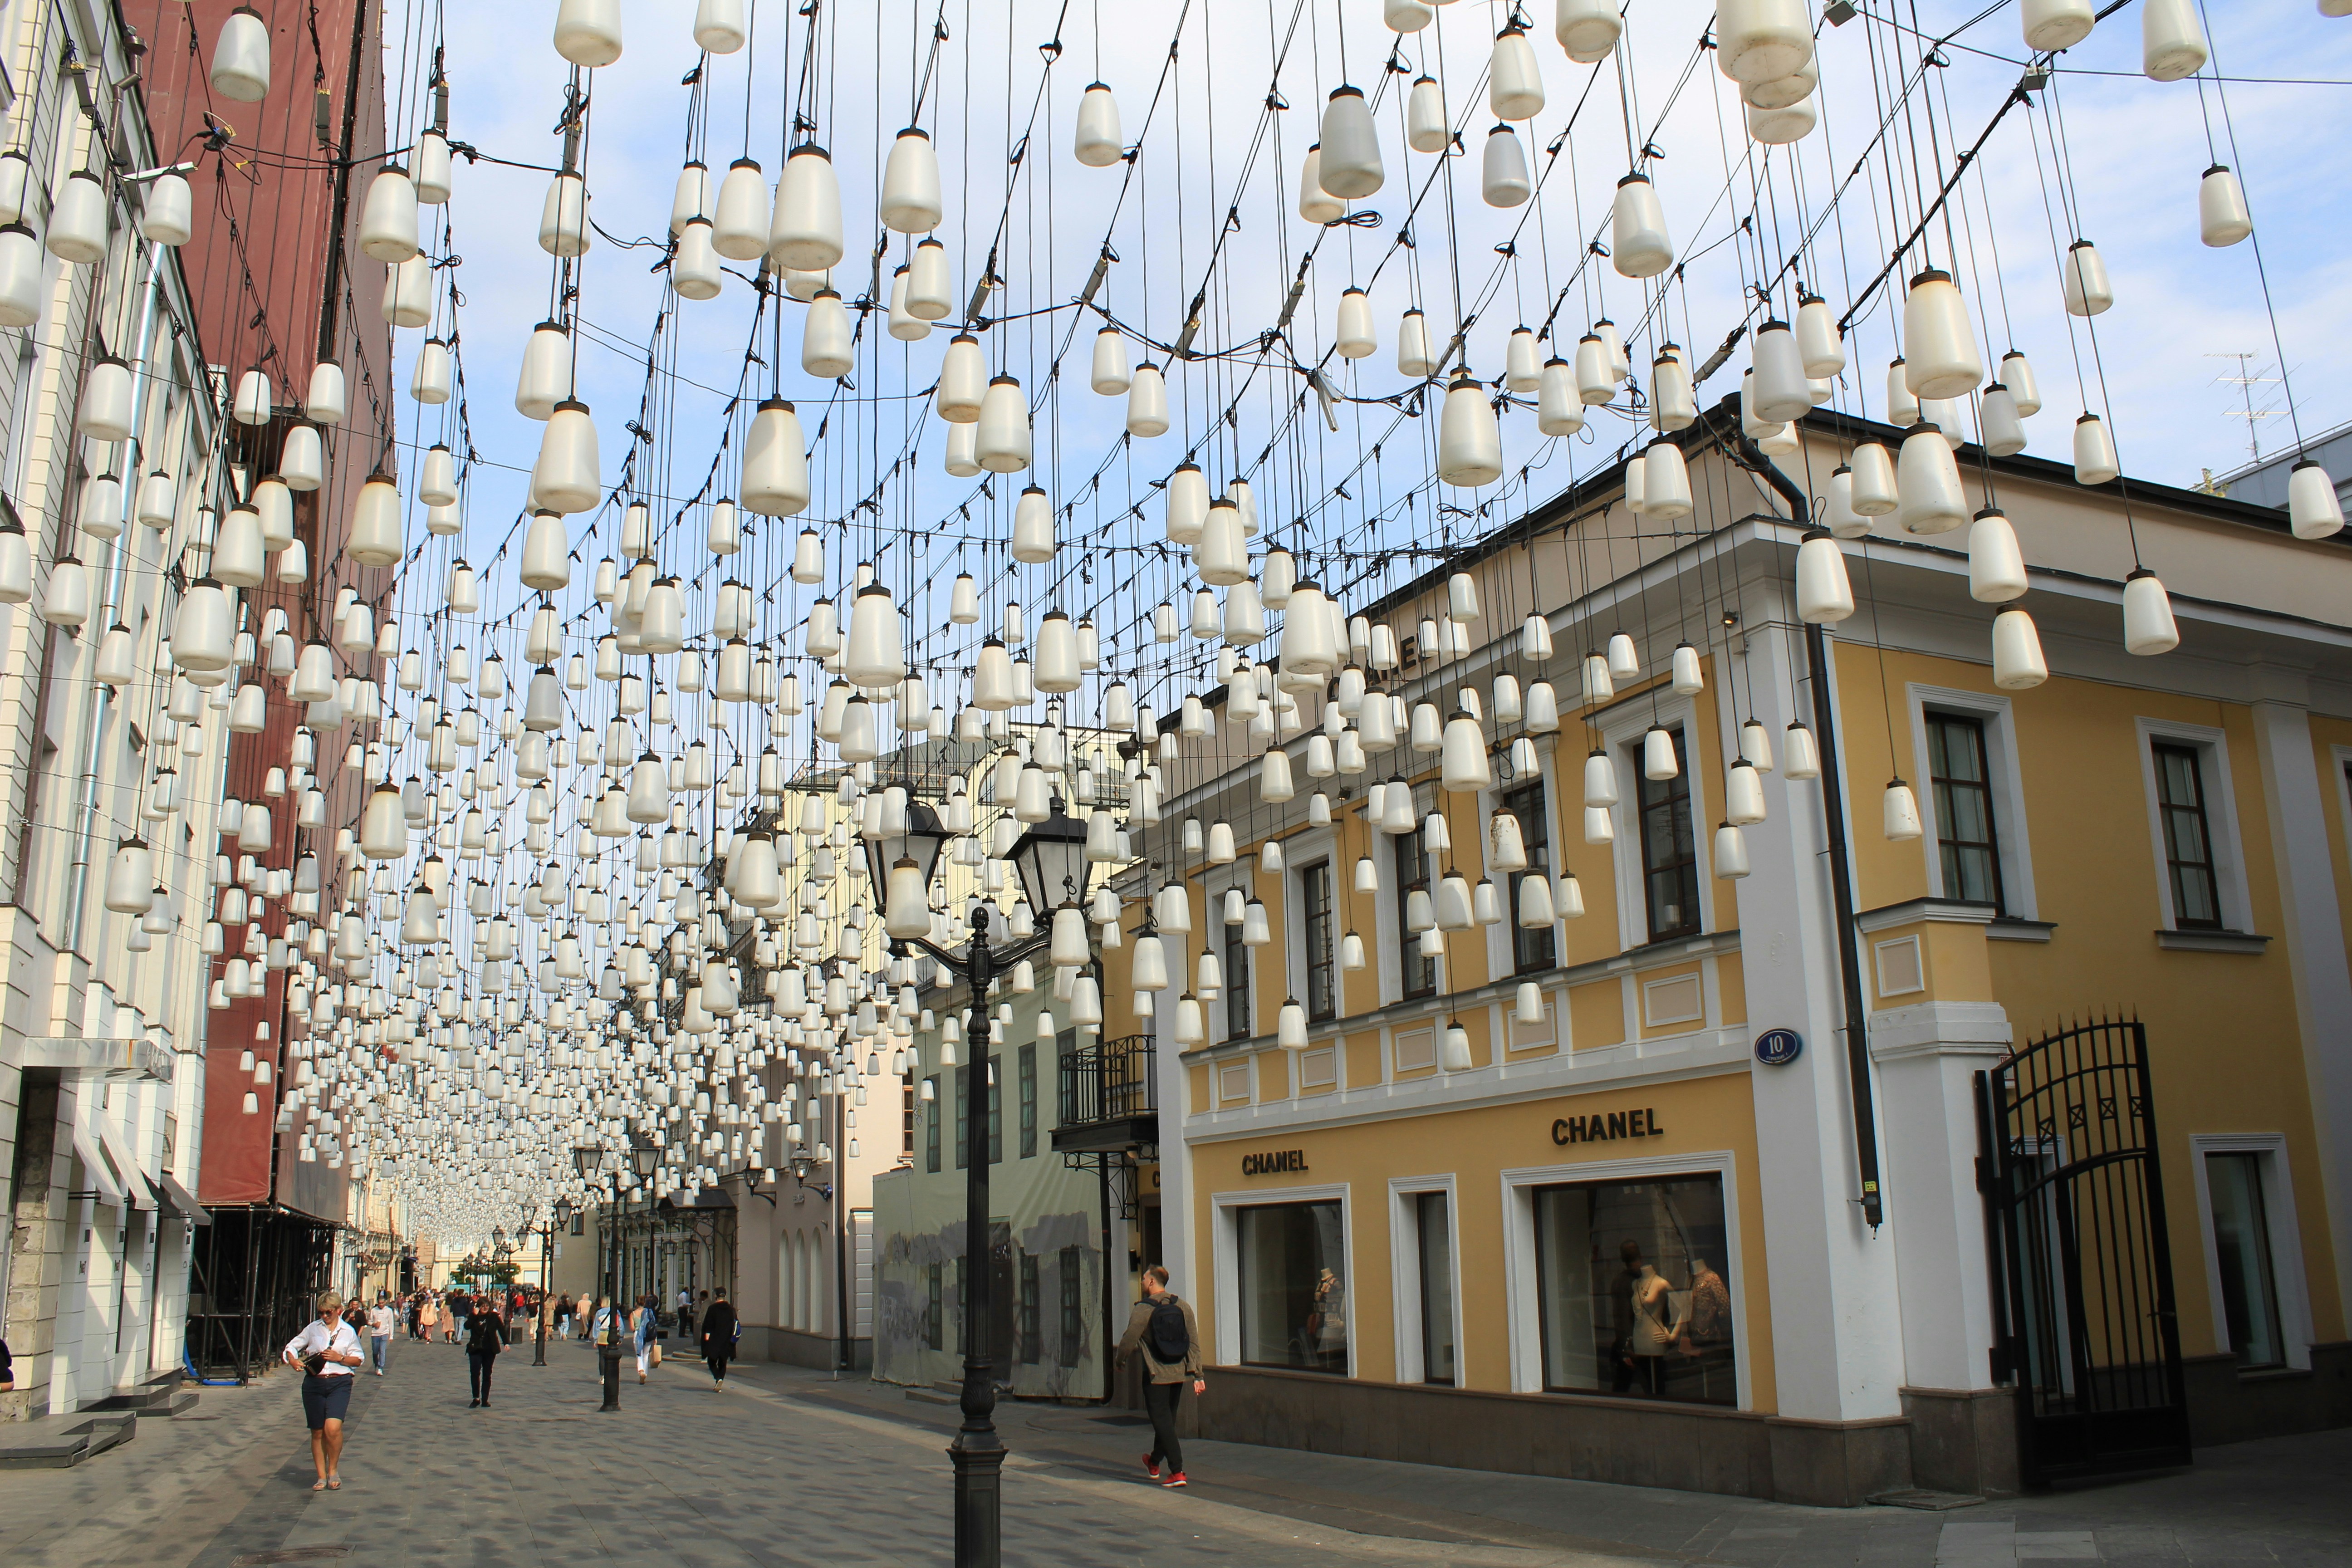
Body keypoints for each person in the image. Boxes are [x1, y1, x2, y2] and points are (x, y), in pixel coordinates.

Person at [1114, 1265, 1205, 1489]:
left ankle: (1177, 1471)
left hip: (1155, 1375)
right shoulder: (1182, 1306)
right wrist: (1198, 1374)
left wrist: (1120, 1360)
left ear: (1153, 1282)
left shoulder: (1144, 1309)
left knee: (1163, 1423)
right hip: (1179, 1373)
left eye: (1144, 1278)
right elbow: (1193, 1342)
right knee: (1167, 1422)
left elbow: (1129, 1338)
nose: (1143, 1282)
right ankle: (1154, 1462)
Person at [282, 1291, 363, 1491]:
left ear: (338, 1311)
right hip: (314, 1384)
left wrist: (339, 1358)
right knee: (317, 1431)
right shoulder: (313, 1329)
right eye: (321, 1313)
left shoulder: (348, 1331)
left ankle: (333, 1469)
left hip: (340, 1382)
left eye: (328, 1312)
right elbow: (292, 1347)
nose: (324, 1316)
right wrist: (293, 1360)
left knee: (333, 1428)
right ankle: (320, 1476)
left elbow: (359, 1359)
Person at [466, 1295, 507, 1407]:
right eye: (483, 1306)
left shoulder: (494, 1317)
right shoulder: (474, 1316)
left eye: (487, 1306)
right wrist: (474, 1315)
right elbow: (467, 1326)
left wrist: (506, 1343)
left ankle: (485, 1399)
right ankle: (476, 1398)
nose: (485, 1308)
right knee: (475, 1373)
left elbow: (502, 1330)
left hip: (490, 1349)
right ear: (479, 1306)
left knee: (487, 1374)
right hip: (475, 1348)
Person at [697, 1287, 738, 1387]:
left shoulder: (713, 1309)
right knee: (723, 1363)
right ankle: (720, 1381)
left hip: (714, 1341)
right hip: (727, 1341)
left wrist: (706, 1340)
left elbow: (708, 1326)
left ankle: (718, 1378)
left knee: (711, 1361)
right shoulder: (731, 1310)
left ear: (716, 1296)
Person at [366, 1294, 396, 1376]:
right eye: (380, 1303)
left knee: (382, 1351)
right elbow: (369, 1321)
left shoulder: (389, 1310)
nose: (381, 1305)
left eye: (383, 1303)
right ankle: (376, 1364)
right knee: (375, 1352)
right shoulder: (374, 1310)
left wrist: (391, 1336)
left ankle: (381, 1367)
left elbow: (391, 1323)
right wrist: (374, 1324)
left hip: (384, 1333)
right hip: (375, 1334)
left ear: (385, 1302)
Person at [632, 1293, 658, 1383]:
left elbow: (632, 1328)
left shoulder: (634, 1314)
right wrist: (655, 1337)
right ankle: (645, 1374)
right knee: (646, 1355)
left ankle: (641, 1371)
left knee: (639, 1354)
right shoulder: (650, 1312)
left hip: (638, 1335)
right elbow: (653, 1324)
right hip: (648, 1335)